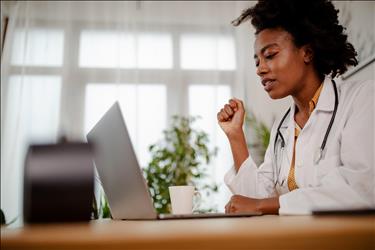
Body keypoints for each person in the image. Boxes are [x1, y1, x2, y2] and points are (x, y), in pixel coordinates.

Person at [217, 0, 374, 215]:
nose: (260, 69)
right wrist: (235, 135)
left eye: (270, 55)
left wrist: (262, 205)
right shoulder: (282, 127)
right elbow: (254, 200)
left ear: (307, 53)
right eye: (257, 61)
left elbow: (361, 188)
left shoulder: (361, 98)